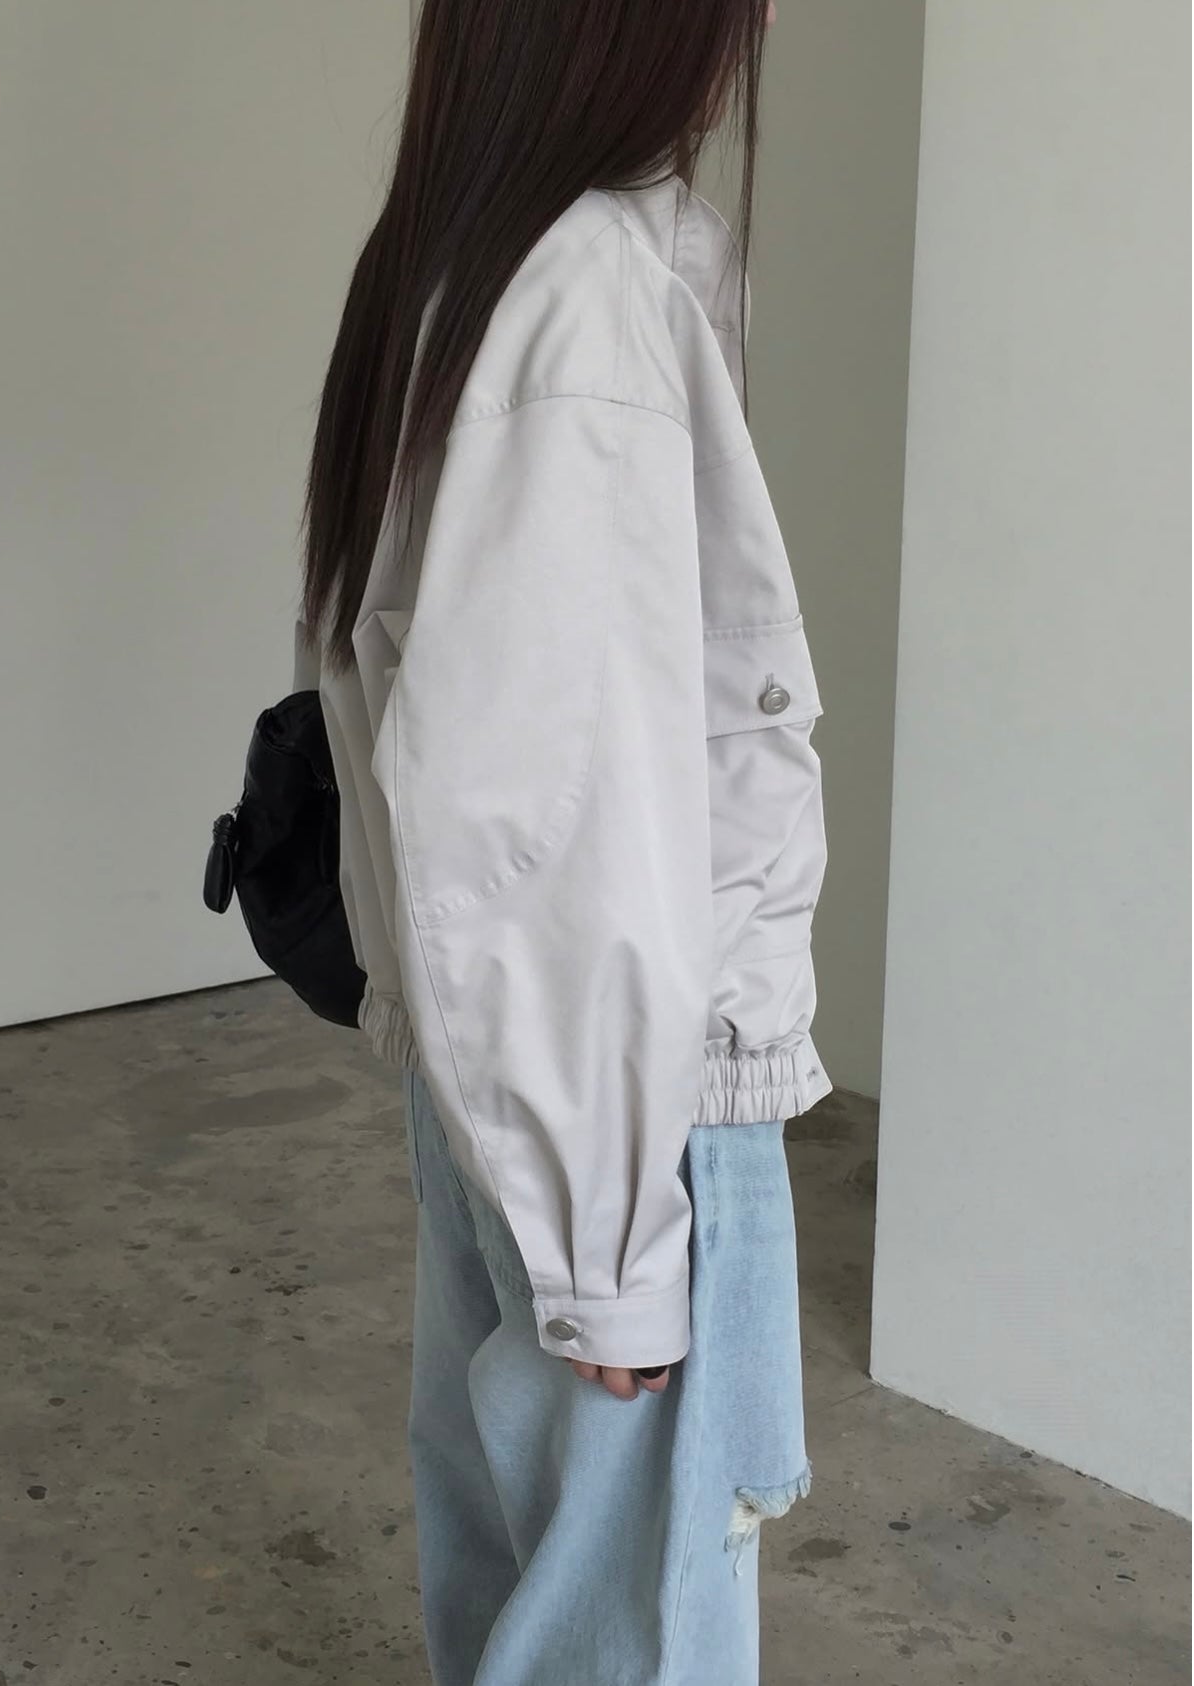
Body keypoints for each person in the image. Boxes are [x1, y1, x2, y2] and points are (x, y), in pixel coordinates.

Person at [295, 1, 828, 1679]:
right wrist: (612, 1248)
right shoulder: (583, 299)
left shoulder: (453, 260)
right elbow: (546, 818)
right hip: (637, 1105)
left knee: (516, 1563)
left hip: (510, 1083)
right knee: (633, 1618)